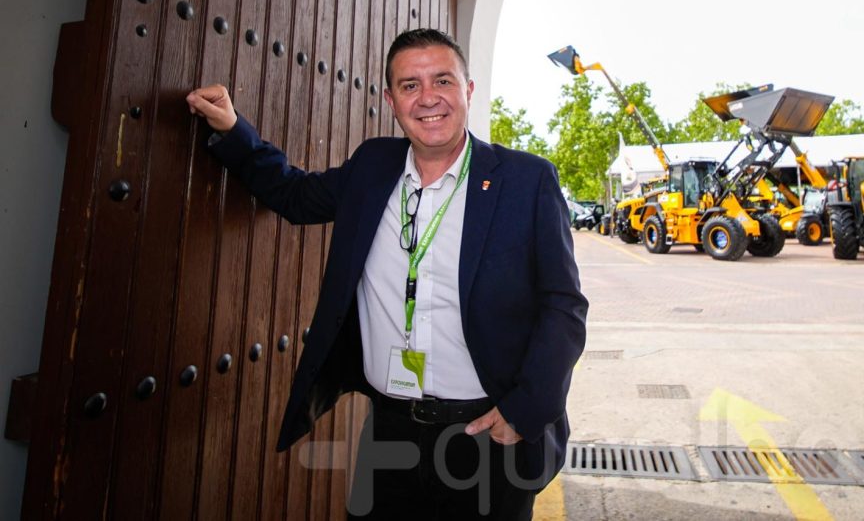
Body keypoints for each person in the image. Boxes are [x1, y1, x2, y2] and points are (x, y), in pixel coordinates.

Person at [186, 28, 588, 519]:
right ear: (390, 100)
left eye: (442, 80)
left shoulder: (526, 179)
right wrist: (232, 129)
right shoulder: (372, 167)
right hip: (390, 432)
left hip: (487, 434)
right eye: (409, 85)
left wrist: (527, 409)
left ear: (468, 89)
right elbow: (292, 195)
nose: (428, 98)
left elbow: (563, 306)